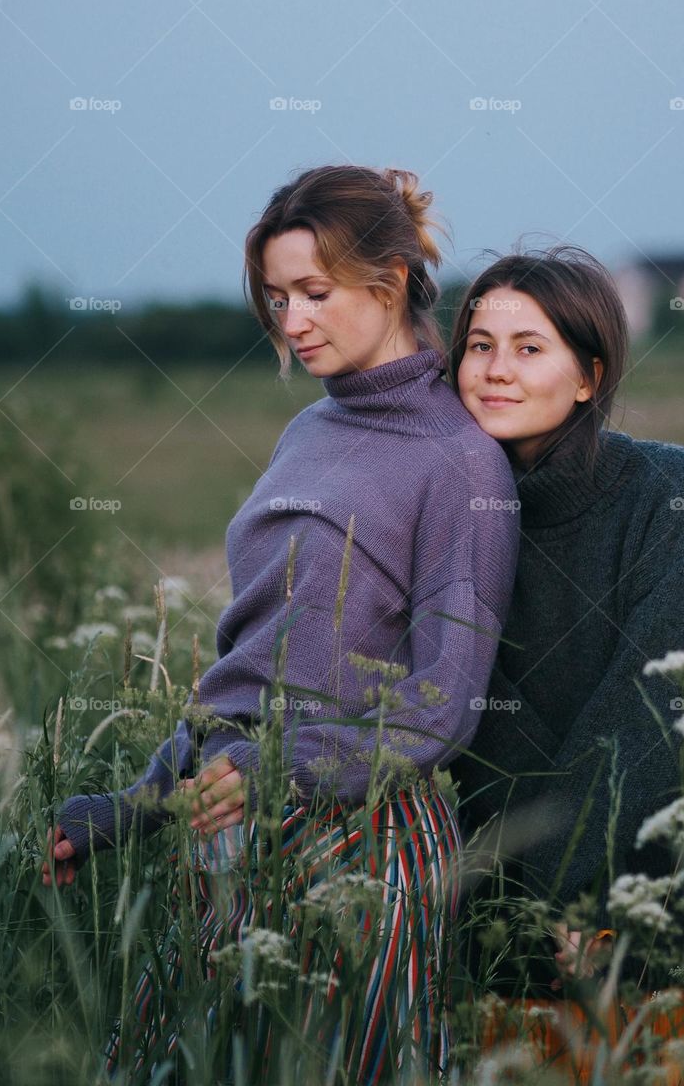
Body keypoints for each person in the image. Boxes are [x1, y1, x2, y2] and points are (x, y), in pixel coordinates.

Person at [42, 165, 520, 1084]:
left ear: (387, 284)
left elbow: (442, 707)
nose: (291, 320)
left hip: (361, 845)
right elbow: (253, 668)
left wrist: (280, 768)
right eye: (276, 296)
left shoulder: (460, 463)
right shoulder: (308, 432)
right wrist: (133, 807)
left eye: (314, 292)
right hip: (233, 827)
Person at [445, 246, 684, 1079]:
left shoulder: (666, 488)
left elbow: (663, 704)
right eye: (478, 344)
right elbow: (458, 721)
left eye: (529, 347)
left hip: (676, 934)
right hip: (514, 960)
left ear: (589, 375)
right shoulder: (450, 514)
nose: (496, 370)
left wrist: (549, 893)